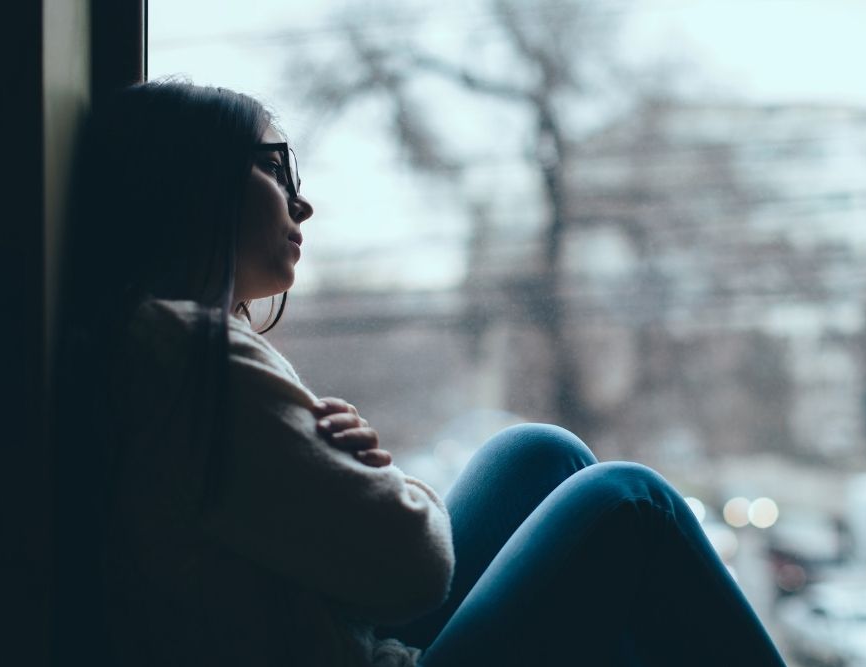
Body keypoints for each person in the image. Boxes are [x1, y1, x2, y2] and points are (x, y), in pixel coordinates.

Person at [54, 80, 786, 667]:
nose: (302, 201)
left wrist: (345, 481)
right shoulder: (195, 355)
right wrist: (378, 481)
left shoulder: (155, 345)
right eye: (275, 167)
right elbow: (413, 569)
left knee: (538, 452)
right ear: (194, 182)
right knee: (632, 501)